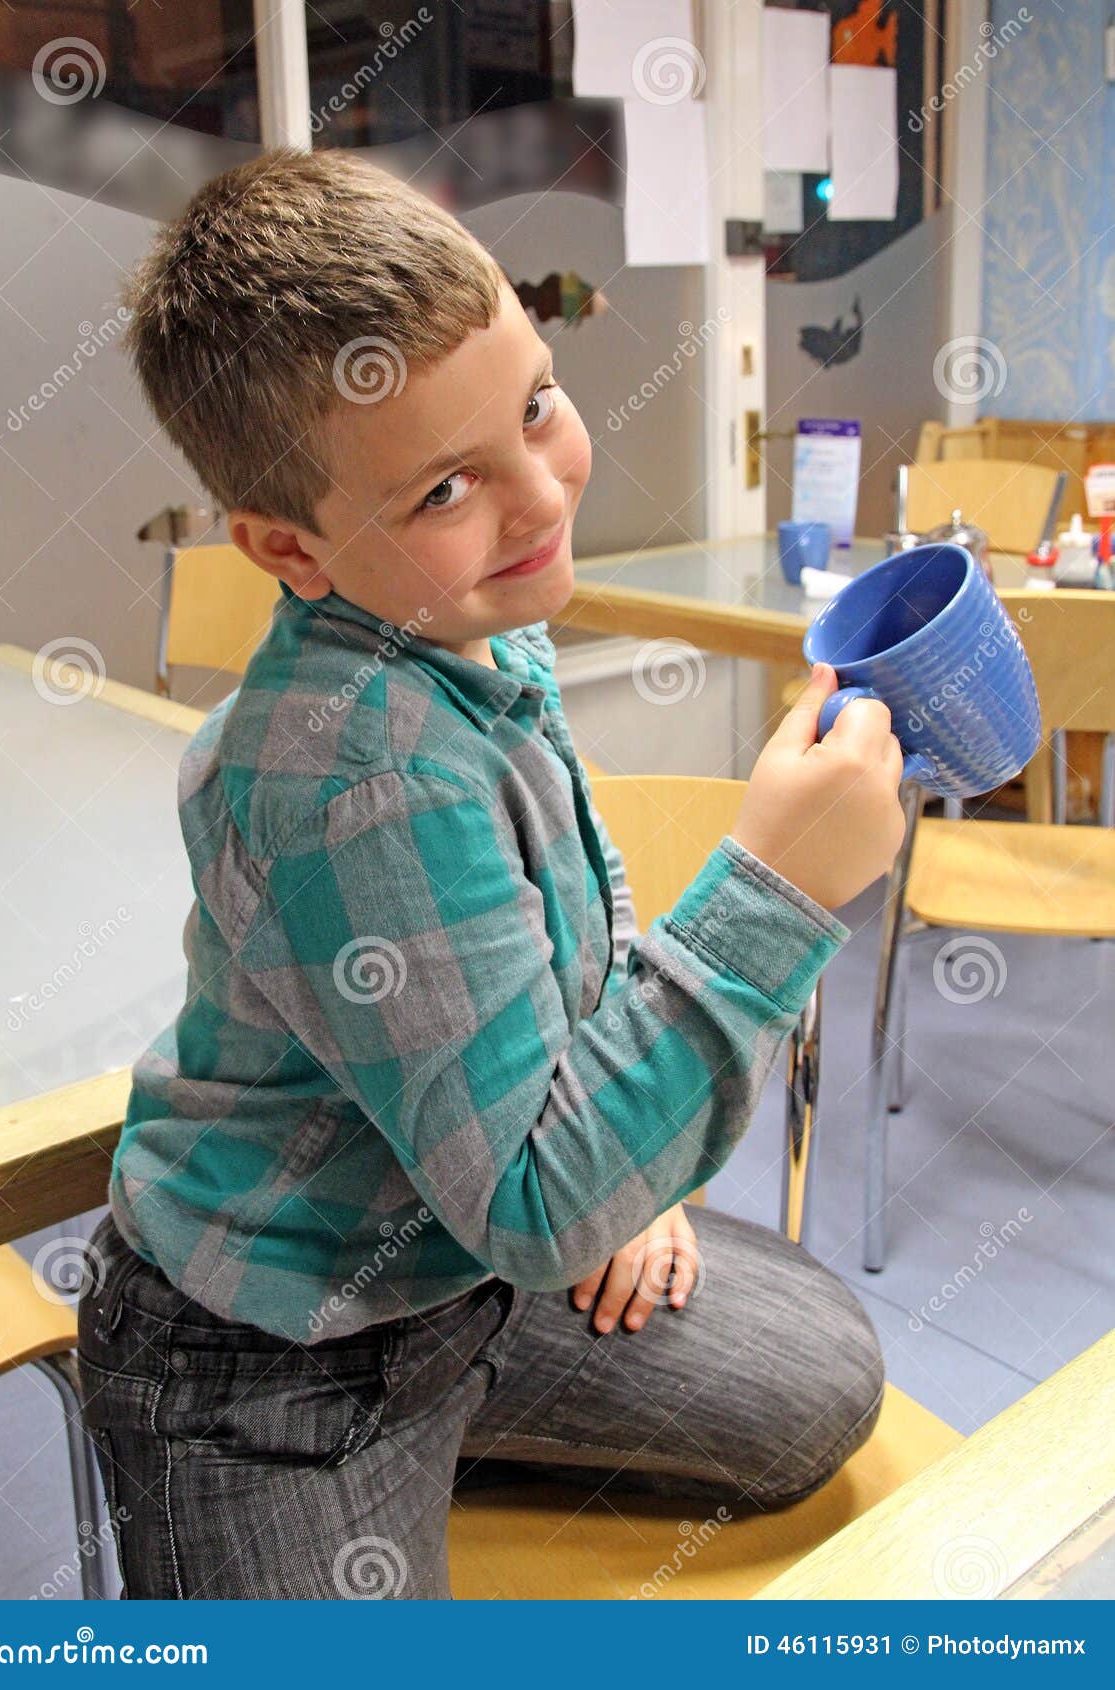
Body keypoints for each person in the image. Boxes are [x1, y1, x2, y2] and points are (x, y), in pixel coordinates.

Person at [77, 147, 906, 1601]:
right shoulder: (356, 778)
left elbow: (580, 915)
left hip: (467, 1269)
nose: (539, 500)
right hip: (273, 1366)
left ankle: (469, 1411)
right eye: (450, 486)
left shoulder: (475, 629)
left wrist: (622, 1182)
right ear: (291, 547)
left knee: (823, 1384)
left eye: (534, 405)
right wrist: (776, 886)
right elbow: (533, 1200)